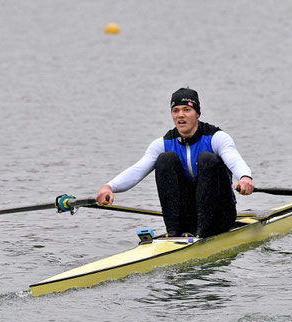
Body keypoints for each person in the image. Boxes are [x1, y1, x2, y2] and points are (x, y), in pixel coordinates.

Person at [96, 88, 254, 238]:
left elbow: (235, 160)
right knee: (166, 159)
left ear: (197, 113)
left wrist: (245, 177)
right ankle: (174, 232)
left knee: (207, 158)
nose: (180, 115)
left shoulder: (217, 138)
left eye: (187, 109)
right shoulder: (163, 143)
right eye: (176, 110)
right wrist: (109, 187)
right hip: (187, 217)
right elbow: (137, 170)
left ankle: (204, 233)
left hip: (219, 215)